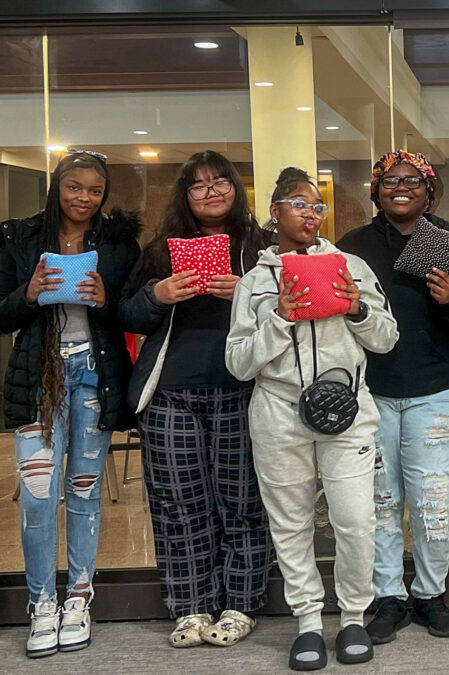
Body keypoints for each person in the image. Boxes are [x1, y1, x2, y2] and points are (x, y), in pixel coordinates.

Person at [226, 167, 398, 670]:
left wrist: (357, 309)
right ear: (274, 213)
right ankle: (306, 621)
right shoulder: (256, 282)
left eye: (316, 204)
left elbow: (388, 339)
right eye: (297, 203)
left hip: (346, 408)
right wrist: (279, 317)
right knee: (291, 523)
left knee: (355, 521)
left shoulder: (352, 265)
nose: (309, 212)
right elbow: (238, 363)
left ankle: (351, 618)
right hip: (279, 412)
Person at [118, 150, 275, 648]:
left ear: (236, 187)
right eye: (199, 185)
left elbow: (289, 316)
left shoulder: (260, 248)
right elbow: (127, 313)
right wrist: (158, 295)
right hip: (171, 395)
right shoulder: (162, 248)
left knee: (244, 503)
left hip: (242, 390)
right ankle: (189, 606)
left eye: (220, 182)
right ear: (185, 196)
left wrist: (249, 293)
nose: (211, 192)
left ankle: (241, 604)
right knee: (178, 504)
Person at [336, 150, 449, 644]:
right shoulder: (349, 249)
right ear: (374, 190)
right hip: (370, 391)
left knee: (432, 499)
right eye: (391, 180)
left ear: (430, 190)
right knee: (378, 501)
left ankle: (430, 594)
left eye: (413, 180)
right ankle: (389, 598)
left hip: (436, 390)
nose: (402, 187)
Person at [0, 150, 140, 658]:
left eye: (95, 190)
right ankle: (41, 603)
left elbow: (134, 312)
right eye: (74, 187)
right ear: (56, 186)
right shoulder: (18, 237)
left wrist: (105, 300)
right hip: (39, 377)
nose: (84, 198)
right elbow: (0, 311)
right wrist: (29, 293)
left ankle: (78, 598)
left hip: (93, 378)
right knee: (38, 498)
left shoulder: (118, 245)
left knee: (83, 493)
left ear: (105, 194)